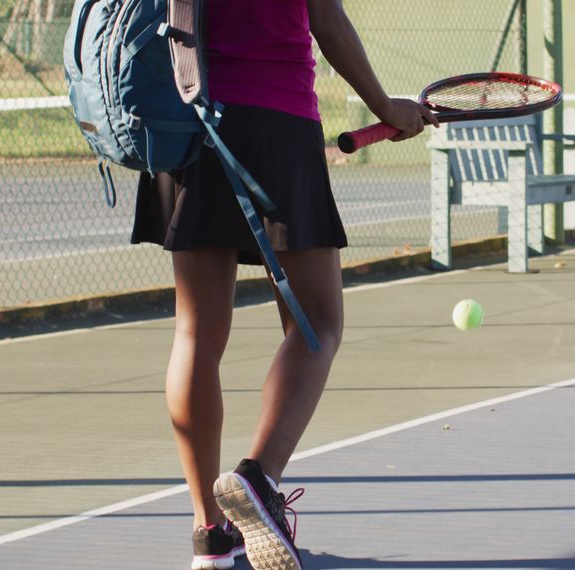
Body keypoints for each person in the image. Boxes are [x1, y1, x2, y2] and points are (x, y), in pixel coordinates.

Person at [130, 0, 437, 568]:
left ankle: (211, 537)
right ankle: (257, 479)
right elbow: (326, 18)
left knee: (195, 332)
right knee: (318, 322)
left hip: (181, 119)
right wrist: (387, 108)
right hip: (274, 120)